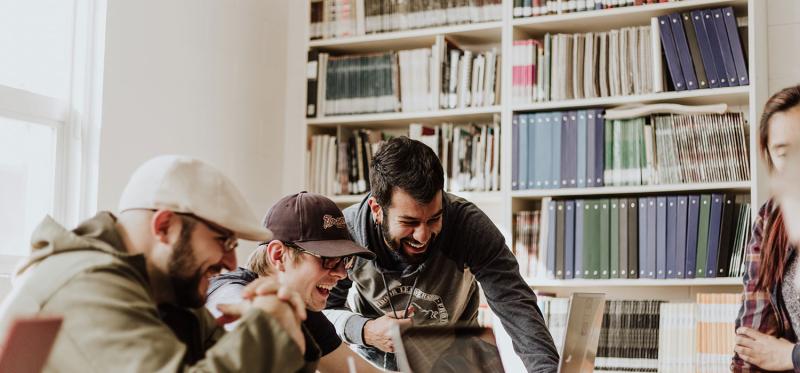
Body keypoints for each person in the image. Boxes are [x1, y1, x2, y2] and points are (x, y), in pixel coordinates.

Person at [0, 155, 313, 372]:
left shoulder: (165, 291)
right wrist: (269, 326)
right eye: (223, 241)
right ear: (165, 226)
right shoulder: (86, 285)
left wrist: (285, 324)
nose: (232, 263)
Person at [324, 137, 559, 372]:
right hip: (376, 364)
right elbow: (322, 313)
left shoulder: (468, 225)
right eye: (409, 222)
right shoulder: (348, 233)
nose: (423, 236)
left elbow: (515, 302)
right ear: (377, 210)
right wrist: (365, 331)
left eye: (434, 218)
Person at [206, 191, 386, 373]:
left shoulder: (302, 309)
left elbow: (356, 370)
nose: (342, 274)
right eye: (329, 259)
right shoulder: (228, 290)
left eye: (345, 260)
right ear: (279, 255)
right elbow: (235, 308)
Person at [733, 85, 800, 372]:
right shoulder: (772, 218)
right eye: (785, 153)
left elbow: (779, 355)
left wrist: (791, 357)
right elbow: (753, 339)